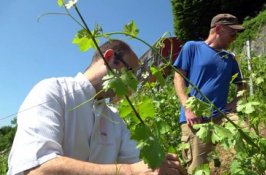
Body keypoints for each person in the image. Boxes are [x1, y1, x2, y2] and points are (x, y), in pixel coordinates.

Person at [8, 39, 183, 175]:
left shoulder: (115, 119)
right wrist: (130, 172)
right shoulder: (52, 91)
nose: (133, 83)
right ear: (110, 58)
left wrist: (161, 166)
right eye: (131, 73)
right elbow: (37, 169)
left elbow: (139, 165)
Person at [173, 14, 246, 174]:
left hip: (224, 116)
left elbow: (242, 85)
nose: (235, 37)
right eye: (232, 33)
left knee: (249, 140)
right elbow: (178, 77)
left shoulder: (229, 58)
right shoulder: (192, 47)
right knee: (197, 169)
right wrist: (187, 108)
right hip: (196, 120)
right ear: (219, 29)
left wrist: (234, 104)